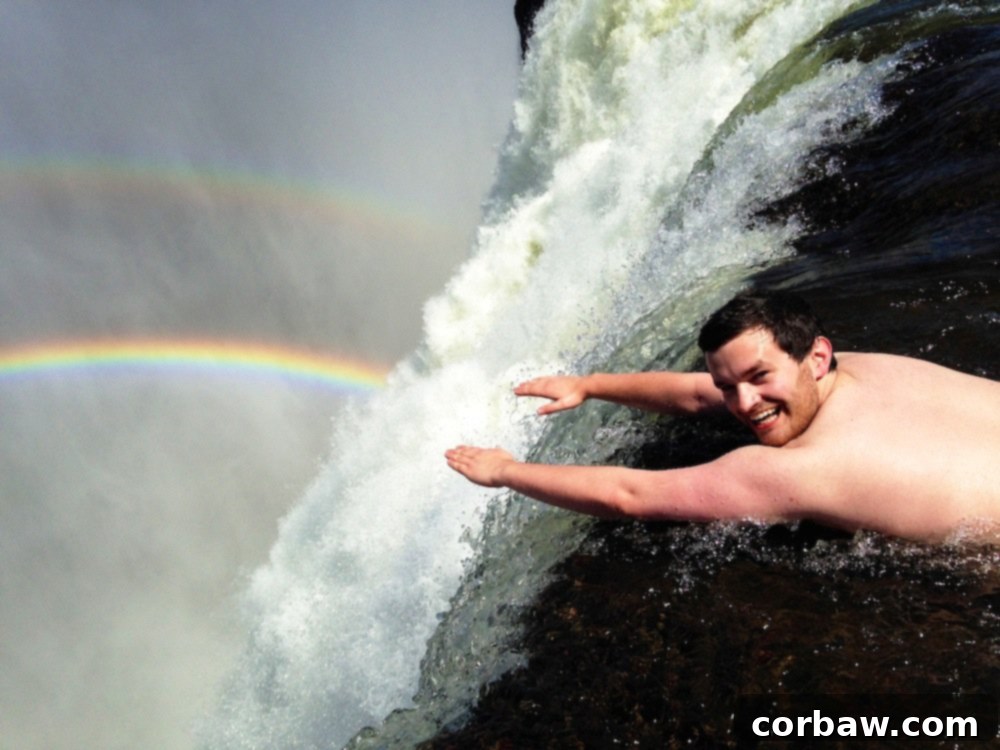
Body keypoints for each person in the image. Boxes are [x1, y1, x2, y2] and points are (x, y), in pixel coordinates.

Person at [445, 291, 1000, 542]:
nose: (743, 404)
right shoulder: (861, 369)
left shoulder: (799, 469)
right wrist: (589, 386)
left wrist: (506, 472)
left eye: (759, 378)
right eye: (727, 386)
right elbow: (694, 394)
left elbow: (630, 497)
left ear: (816, 356)